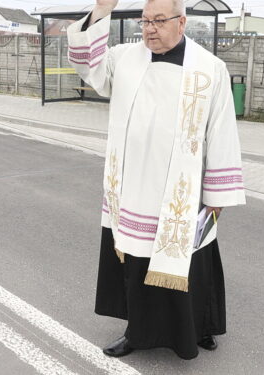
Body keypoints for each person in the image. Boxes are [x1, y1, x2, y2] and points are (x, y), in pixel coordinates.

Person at [67, 0, 246, 360]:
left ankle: (201, 328)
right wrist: (101, 9)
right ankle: (137, 332)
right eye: (145, 21)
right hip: (134, 188)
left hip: (185, 191)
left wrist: (217, 195)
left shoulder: (210, 69)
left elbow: (222, 132)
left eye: (159, 21)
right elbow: (85, 64)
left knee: (193, 264)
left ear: (182, 23)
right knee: (136, 264)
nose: (149, 28)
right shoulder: (124, 58)